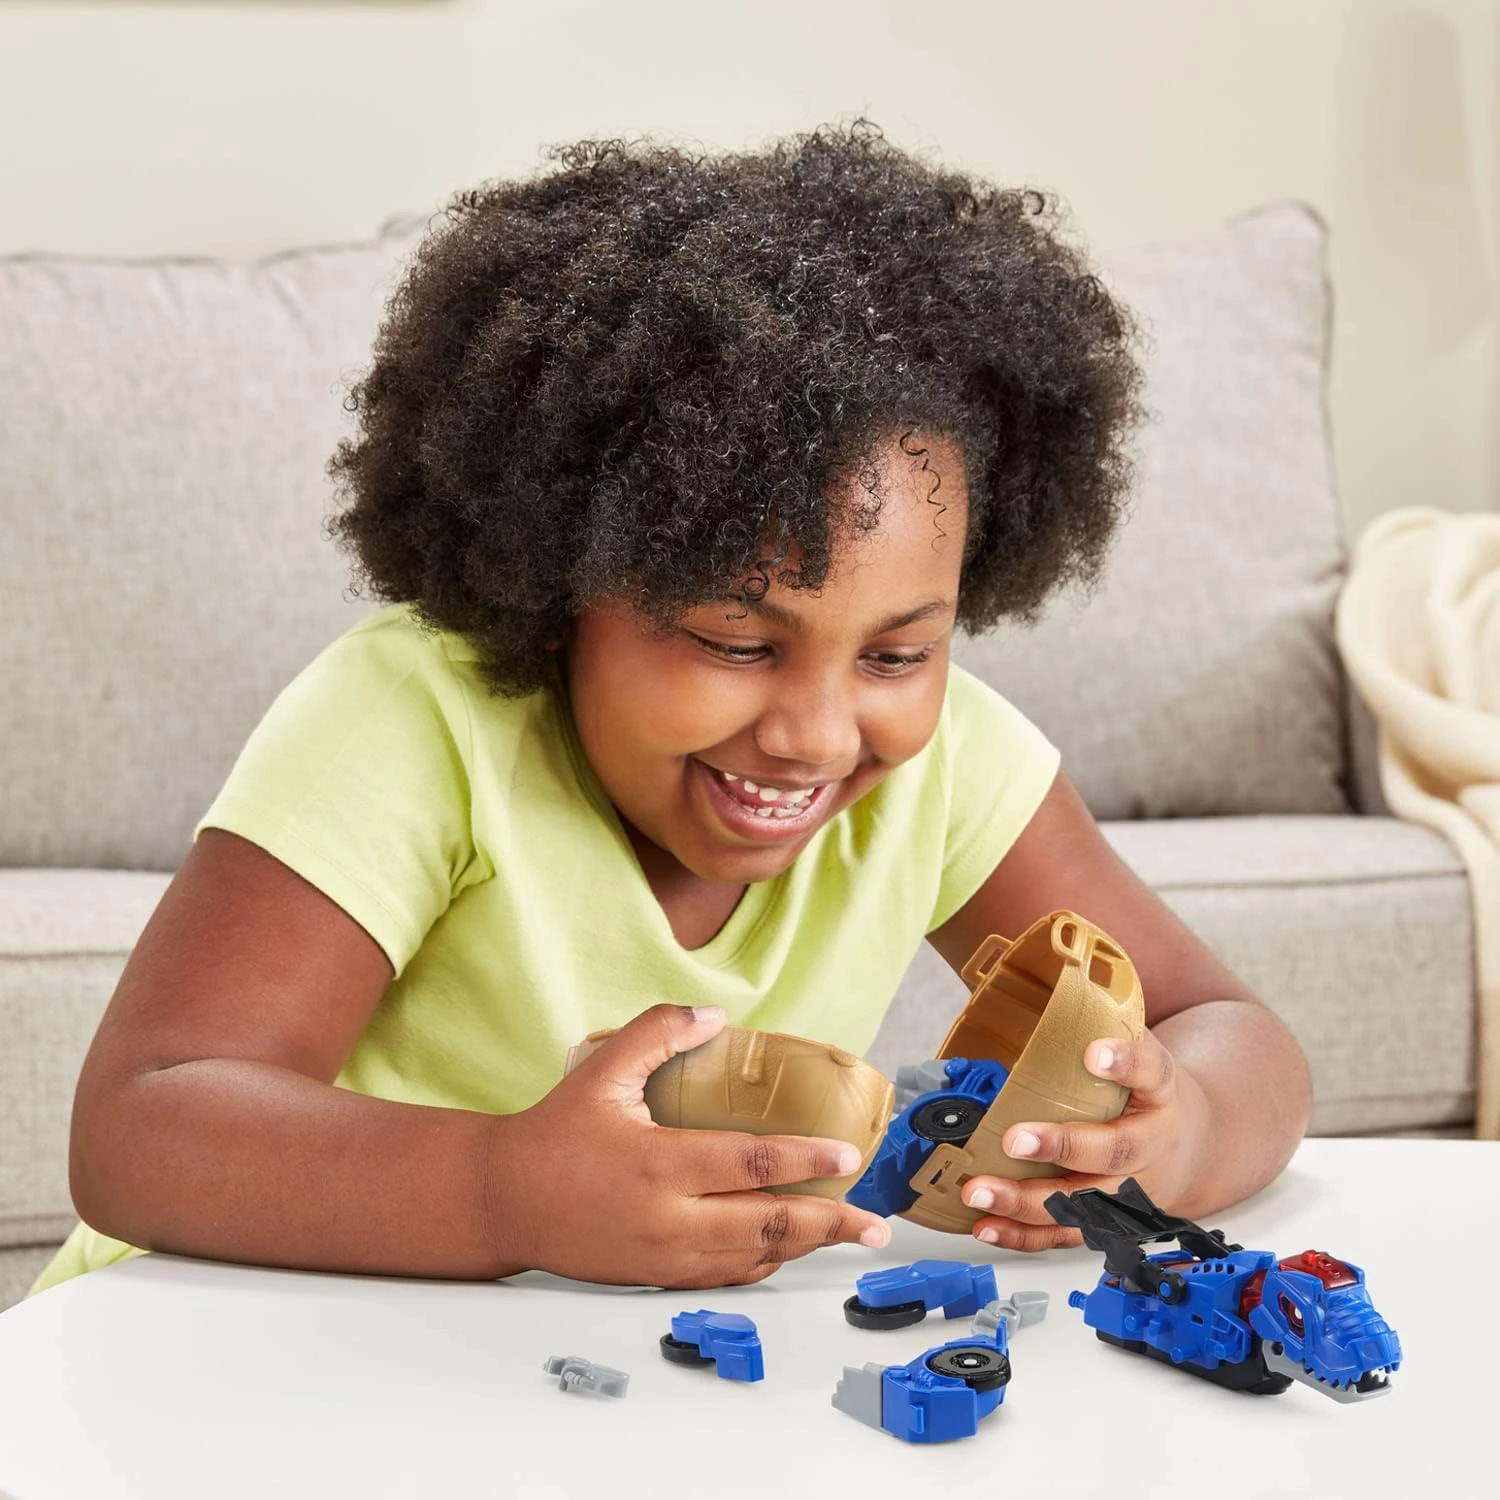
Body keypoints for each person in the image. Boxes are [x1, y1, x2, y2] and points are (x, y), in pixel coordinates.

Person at [32, 123, 1311, 1298]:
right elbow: (142, 1128)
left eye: (897, 653)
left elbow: (1236, 1035)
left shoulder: (950, 765)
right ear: (559, 587)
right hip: (215, 1352)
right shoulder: (418, 720)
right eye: (736, 642)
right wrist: (504, 1194)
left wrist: (1179, 1130)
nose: (817, 733)